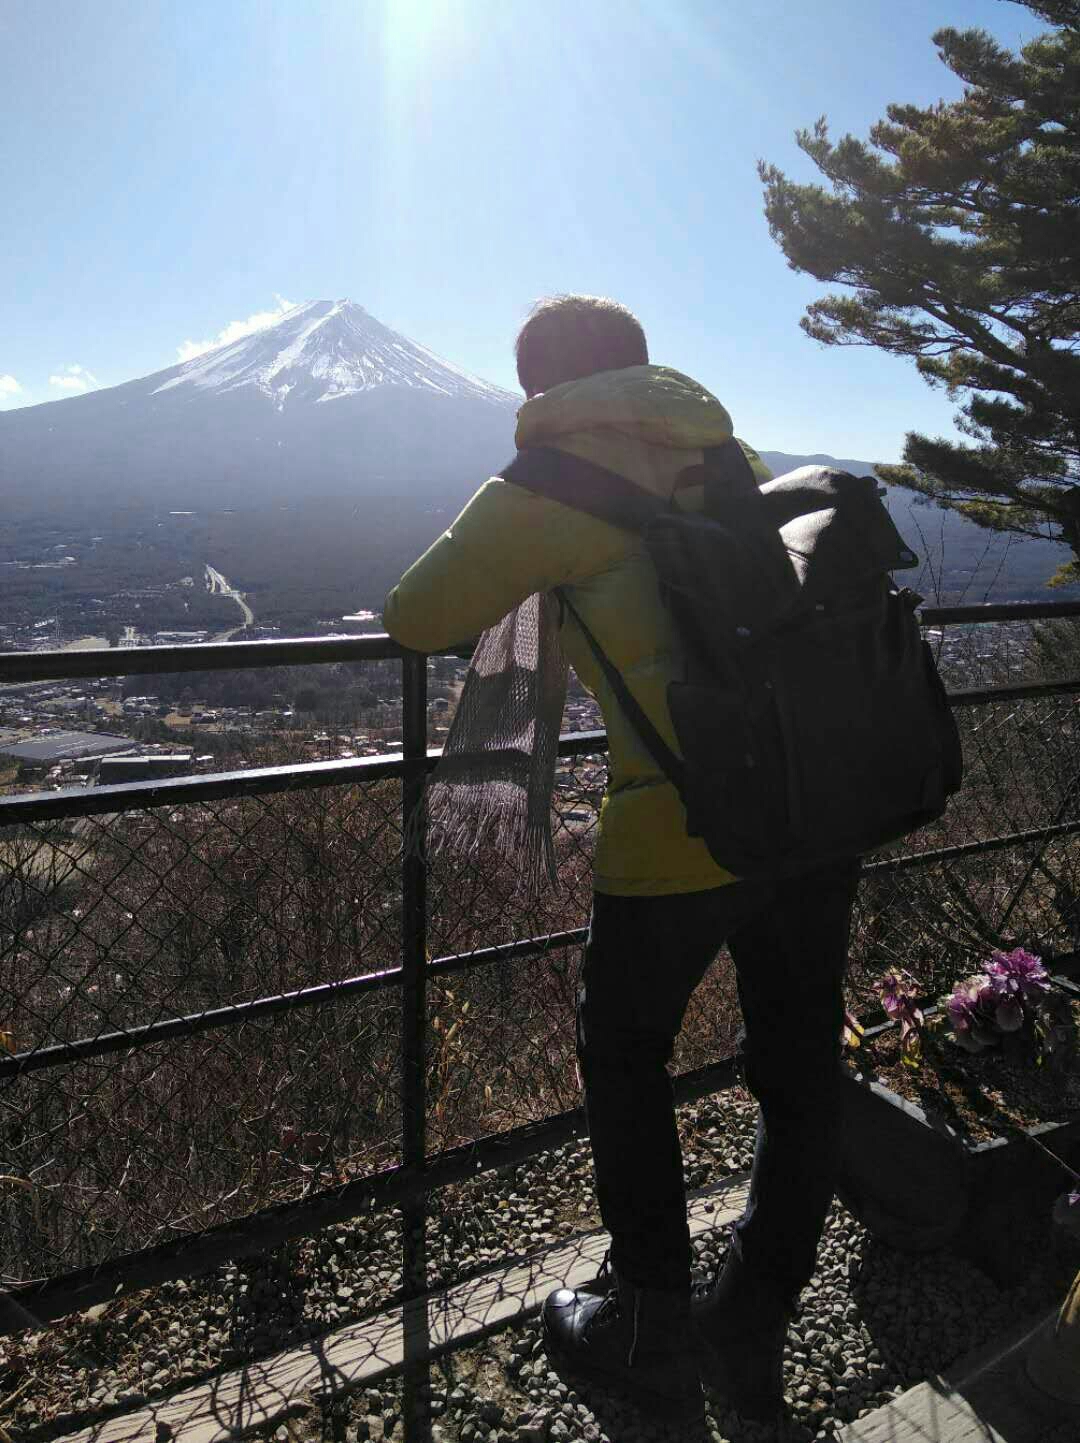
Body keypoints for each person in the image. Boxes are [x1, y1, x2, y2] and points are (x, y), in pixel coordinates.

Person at [382, 295, 861, 1425]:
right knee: (797, 1065)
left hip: (682, 829)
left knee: (628, 1050)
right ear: (642, 370)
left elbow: (416, 615)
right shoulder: (727, 454)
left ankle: (646, 1304)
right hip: (812, 806)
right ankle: (756, 1311)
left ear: (540, 388)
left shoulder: (549, 483)